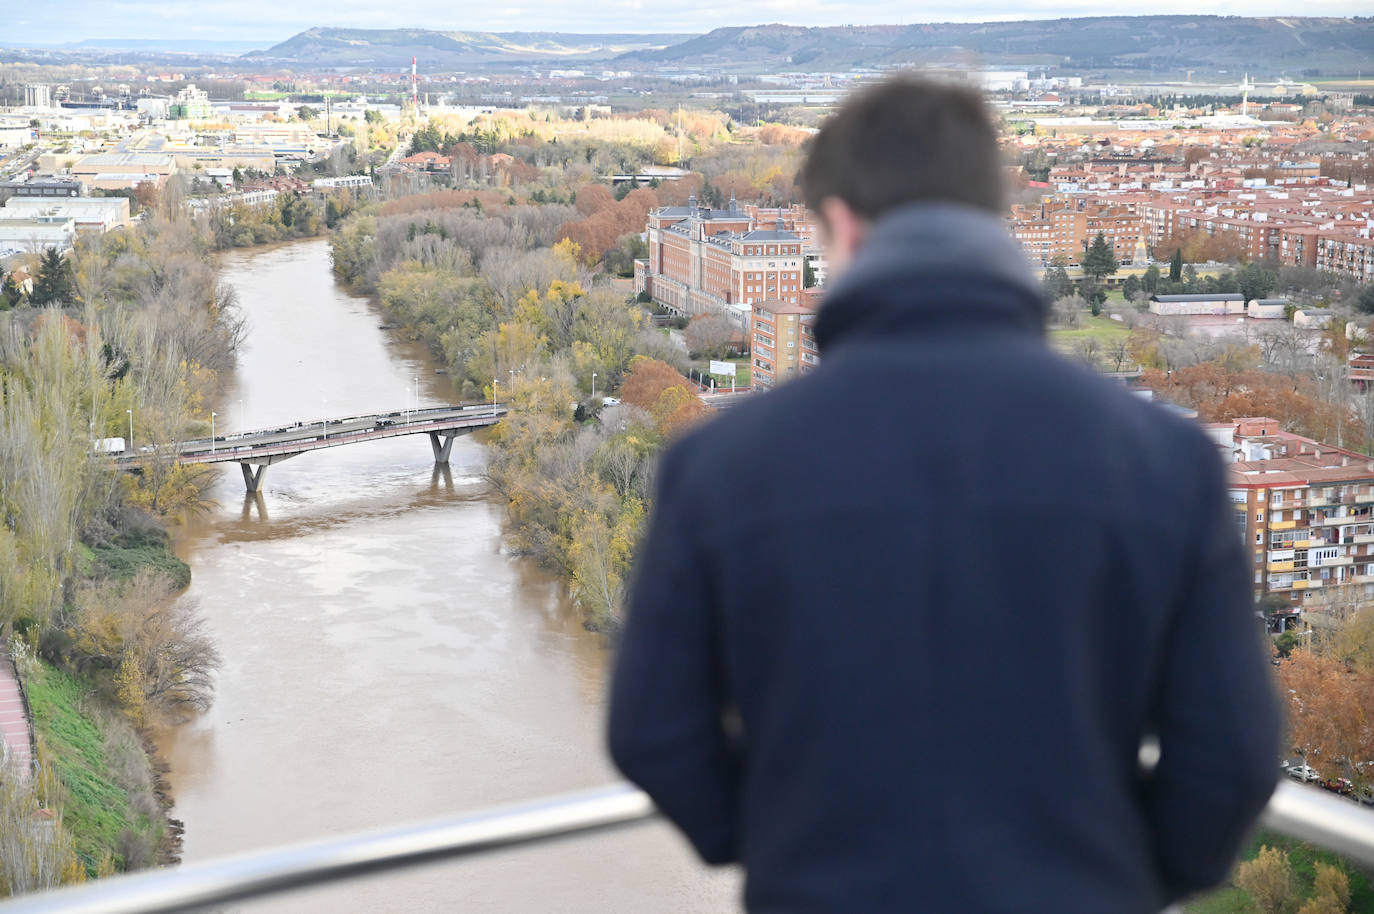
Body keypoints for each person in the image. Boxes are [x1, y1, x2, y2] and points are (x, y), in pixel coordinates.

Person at [607, 77, 1281, 913]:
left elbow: (652, 732)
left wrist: (784, 844)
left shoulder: (722, 464)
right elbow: (1233, 757)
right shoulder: (1166, 462)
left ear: (844, 221)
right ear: (989, 215)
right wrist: (1123, 878)